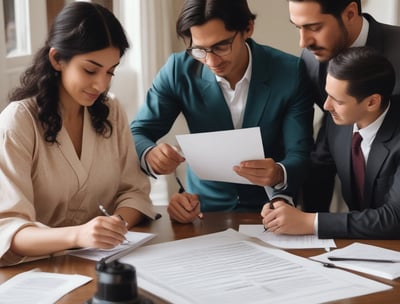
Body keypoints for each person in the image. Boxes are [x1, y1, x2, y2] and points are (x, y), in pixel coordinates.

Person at [0, 2, 158, 266]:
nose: (101, 84)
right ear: (56, 59)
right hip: (35, 272)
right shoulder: (18, 122)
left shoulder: (111, 110)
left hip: (101, 263)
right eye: (90, 70)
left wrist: (115, 224)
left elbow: (134, 191)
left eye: (110, 71)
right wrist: (79, 235)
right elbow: (6, 229)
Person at [131, 0, 314, 223]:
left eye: (221, 47)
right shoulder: (178, 70)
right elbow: (138, 132)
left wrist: (278, 172)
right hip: (202, 211)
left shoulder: (290, 72)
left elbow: (300, 153)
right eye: (199, 49)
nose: (211, 60)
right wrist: (150, 153)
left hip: (271, 211)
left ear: (247, 29)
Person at [262, 47, 400, 239]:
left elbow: (395, 218)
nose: (326, 106)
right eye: (328, 94)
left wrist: (310, 222)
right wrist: (282, 200)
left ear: (372, 102)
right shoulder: (339, 120)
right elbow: (317, 169)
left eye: (338, 101)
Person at [288, 0, 400, 212]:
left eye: (314, 27)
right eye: (297, 27)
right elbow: (329, 138)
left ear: (350, 13)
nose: (303, 42)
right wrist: (311, 224)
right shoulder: (312, 61)